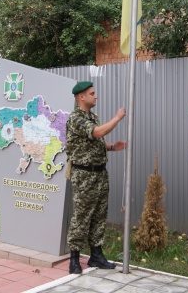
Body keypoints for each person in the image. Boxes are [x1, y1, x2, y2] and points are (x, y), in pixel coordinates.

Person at [66, 81, 127, 274]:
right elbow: (97, 132)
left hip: (100, 173)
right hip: (84, 175)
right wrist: (117, 118)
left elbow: (96, 140)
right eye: (92, 93)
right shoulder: (76, 118)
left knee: (99, 215)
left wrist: (110, 147)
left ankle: (96, 255)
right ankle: (74, 258)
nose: (96, 96)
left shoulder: (93, 116)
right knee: (82, 216)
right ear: (81, 97)